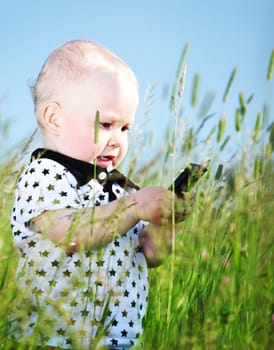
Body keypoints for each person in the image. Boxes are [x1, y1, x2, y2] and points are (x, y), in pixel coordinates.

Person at [9, 39, 189, 349]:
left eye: (125, 128)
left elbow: (152, 254)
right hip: (53, 339)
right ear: (54, 118)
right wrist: (132, 207)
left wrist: (167, 221)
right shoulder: (46, 174)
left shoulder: (119, 188)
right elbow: (69, 232)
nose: (118, 140)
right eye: (106, 124)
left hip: (118, 340)